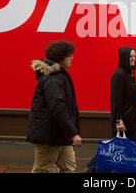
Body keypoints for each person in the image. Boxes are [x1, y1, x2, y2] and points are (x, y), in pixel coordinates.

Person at [85, 47, 136, 173]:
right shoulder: (118, 76)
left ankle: (90, 169)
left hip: (130, 122)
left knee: (113, 149)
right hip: (124, 122)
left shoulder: (129, 75)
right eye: (130, 56)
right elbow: (116, 101)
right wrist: (118, 120)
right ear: (124, 58)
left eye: (134, 56)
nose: (133, 59)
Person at [27, 40, 81, 173]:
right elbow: (58, 108)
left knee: (69, 168)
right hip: (50, 136)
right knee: (42, 169)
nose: (72, 58)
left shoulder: (57, 76)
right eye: (69, 55)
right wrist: (73, 133)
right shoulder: (53, 79)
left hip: (60, 135)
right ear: (61, 58)